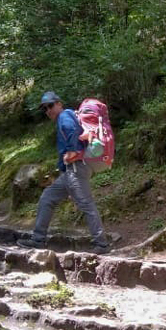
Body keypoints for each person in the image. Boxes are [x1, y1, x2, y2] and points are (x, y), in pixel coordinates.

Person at [17, 91, 111, 254]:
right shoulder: (66, 116)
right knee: (47, 197)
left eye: (51, 105)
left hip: (75, 169)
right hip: (70, 171)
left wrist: (73, 151)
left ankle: (101, 244)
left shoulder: (64, 116)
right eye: (45, 109)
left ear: (59, 103)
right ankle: (38, 239)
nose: (48, 110)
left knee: (86, 204)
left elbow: (71, 131)